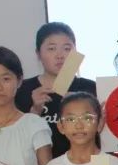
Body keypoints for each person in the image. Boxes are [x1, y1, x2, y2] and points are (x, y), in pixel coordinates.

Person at [15, 22, 96, 157]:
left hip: (87, 163)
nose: (60, 55)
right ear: (38, 53)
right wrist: (35, 111)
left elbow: (102, 136)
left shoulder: (90, 88)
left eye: (67, 48)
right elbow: (16, 140)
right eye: (51, 49)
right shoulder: (22, 89)